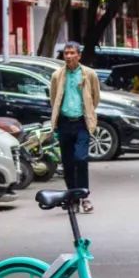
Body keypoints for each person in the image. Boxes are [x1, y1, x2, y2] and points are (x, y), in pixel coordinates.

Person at [49, 41, 100, 213]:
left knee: (81, 159)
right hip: (64, 123)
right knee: (68, 163)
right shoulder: (57, 75)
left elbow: (95, 97)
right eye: (66, 53)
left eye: (72, 53)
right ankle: (72, 197)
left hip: (81, 123)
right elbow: (54, 98)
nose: (69, 56)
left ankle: (84, 196)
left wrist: (88, 112)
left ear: (79, 55)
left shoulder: (89, 74)